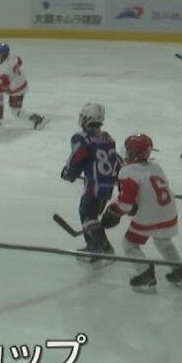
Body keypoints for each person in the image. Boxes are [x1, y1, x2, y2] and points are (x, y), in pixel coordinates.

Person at [99, 133, 182, 289]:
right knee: (163, 242)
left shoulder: (127, 171)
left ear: (132, 153)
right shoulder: (156, 167)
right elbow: (150, 192)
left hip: (149, 216)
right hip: (169, 212)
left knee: (130, 244)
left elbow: (126, 203)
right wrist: (134, 205)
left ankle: (145, 273)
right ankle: (179, 271)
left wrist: (113, 212)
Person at [61, 102, 120, 260]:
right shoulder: (108, 137)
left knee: (87, 214)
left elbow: (77, 157)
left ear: (87, 118)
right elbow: (116, 159)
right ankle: (101, 245)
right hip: (108, 185)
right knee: (91, 215)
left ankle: (98, 248)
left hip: (94, 184)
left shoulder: (82, 138)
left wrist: (69, 172)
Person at [0, 43, 45, 129]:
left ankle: (37, 119)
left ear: (2, 54)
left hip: (16, 89)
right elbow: (20, 61)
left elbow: (5, 83)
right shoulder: (13, 57)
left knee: (15, 112)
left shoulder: (3, 68)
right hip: (21, 81)